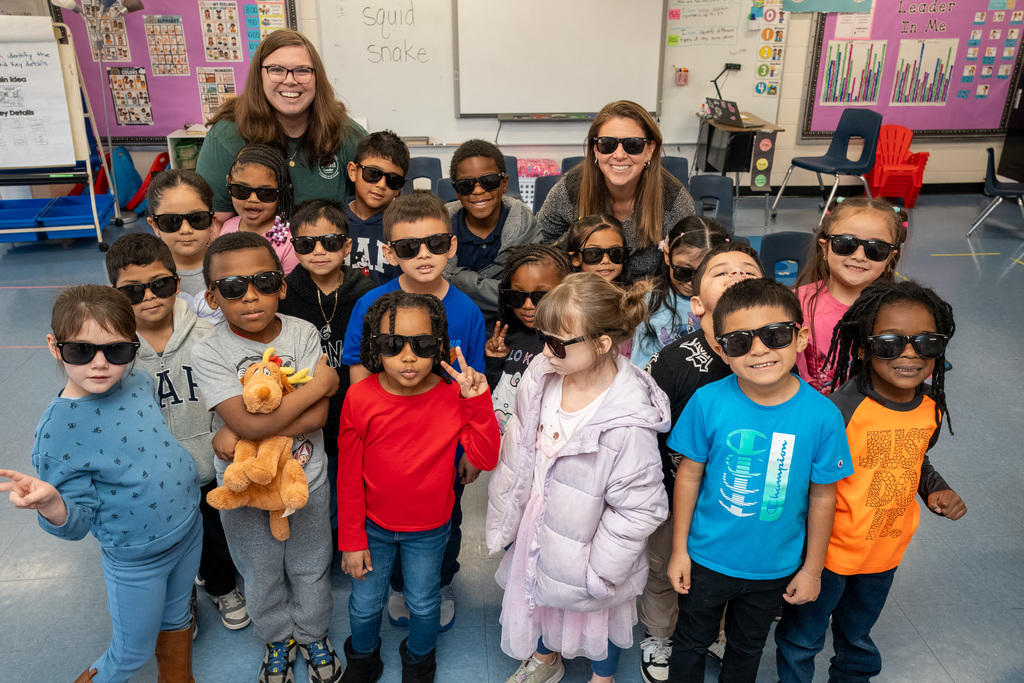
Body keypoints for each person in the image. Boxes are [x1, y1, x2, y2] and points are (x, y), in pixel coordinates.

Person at [0, 285, 202, 683]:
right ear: (54, 346)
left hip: (189, 531)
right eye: (81, 350)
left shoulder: (139, 382)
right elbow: (75, 524)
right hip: (137, 560)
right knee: (131, 653)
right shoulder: (57, 433)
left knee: (178, 618)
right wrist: (51, 503)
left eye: (117, 351)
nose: (100, 364)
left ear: (133, 346)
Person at [775, 280, 966, 683]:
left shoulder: (931, 405)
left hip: (885, 551)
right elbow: (803, 481)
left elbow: (916, 457)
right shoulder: (840, 410)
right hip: (827, 556)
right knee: (802, 638)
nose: (909, 353)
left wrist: (935, 487)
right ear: (864, 348)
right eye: (891, 343)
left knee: (857, 635)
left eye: (925, 342)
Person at [665, 279, 854, 683]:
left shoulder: (823, 416)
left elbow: (824, 496)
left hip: (773, 566)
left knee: (747, 648)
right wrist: (679, 550)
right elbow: (689, 475)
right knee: (690, 642)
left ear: (800, 337)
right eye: (739, 341)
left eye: (775, 335)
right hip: (707, 559)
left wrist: (813, 570)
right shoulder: (707, 402)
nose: (759, 350)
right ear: (720, 350)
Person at [486, 272, 670, 683]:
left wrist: (600, 571)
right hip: (540, 521)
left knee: (599, 620)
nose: (544, 351)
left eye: (556, 342)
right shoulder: (542, 375)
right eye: (541, 337)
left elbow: (639, 510)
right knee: (543, 599)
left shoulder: (628, 422)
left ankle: (601, 677)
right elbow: (520, 449)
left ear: (601, 344)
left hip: (592, 543)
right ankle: (547, 659)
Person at [191, 232, 344, 683]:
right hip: (244, 490)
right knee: (259, 571)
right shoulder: (210, 350)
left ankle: (313, 634)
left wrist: (241, 428)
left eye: (263, 280)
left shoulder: (304, 332)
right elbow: (302, 407)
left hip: (307, 483)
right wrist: (318, 385)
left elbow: (317, 419)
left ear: (281, 283)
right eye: (234, 287)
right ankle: (277, 639)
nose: (251, 295)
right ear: (213, 297)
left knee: (311, 565)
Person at [342, 192, 487, 633]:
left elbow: (472, 386)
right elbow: (359, 373)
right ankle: (400, 587)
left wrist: (466, 449)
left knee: (448, 519)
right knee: (383, 525)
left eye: (435, 243)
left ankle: (438, 583)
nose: (424, 255)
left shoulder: (467, 311)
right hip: (385, 446)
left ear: (453, 244)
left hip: (442, 450)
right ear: (389, 252)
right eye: (408, 247)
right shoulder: (371, 306)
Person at [337, 291, 500, 683]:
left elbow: (484, 458)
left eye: (422, 345)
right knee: (363, 605)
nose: (408, 356)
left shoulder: (452, 396)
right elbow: (347, 475)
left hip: (429, 530)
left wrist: (478, 401)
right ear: (374, 348)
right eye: (392, 344)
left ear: (440, 345)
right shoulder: (359, 396)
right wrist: (352, 540)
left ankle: (419, 661)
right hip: (371, 528)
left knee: (425, 604)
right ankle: (363, 659)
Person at [105, 233, 249, 633]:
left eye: (160, 284)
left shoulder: (209, 337)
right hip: (152, 479)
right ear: (115, 294)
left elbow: (230, 398)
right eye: (132, 291)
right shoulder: (113, 353)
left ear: (177, 283)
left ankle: (221, 586)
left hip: (209, 464)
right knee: (169, 543)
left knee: (216, 535)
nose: (149, 297)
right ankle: (181, 594)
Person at [638, 242, 764, 683]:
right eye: (722, 272)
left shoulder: (771, 360)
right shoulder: (674, 363)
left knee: (727, 573)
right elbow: (644, 434)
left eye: (748, 271)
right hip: (672, 497)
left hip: (736, 498)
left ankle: (718, 629)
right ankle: (659, 633)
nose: (736, 277)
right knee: (664, 569)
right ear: (696, 303)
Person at [278, 199, 375, 552]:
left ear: (347, 246)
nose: (319, 251)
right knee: (315, 488)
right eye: (306, 244)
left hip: (355, 410)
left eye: (331, 242)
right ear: (294, 246)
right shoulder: (284, 295)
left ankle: (353, 541)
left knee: (355, 483)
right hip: (307, 412)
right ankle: (326, 547)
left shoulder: (368, 294)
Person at [196, 29, 367, 222]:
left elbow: (375, 206)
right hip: (254, 249)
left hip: (327, 249)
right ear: (259, 76)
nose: (290, 81)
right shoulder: (227, 136)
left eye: (302, 71)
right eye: (276, 70)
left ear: (317, 77)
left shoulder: (348, 134)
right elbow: (213, 223)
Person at [537, 100, 696, 282]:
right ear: (595, 149)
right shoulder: (571, 187)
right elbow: (539, 246)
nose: (619, 155)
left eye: (633, 145)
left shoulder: (673, 199)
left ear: (650, 149)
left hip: (648, 303)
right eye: (607, 144)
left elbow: (689, 268)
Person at [794, 197, 907, 394]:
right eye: (846, 243)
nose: (859, 256)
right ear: (825, 248)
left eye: (876, 248)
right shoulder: (795, 303)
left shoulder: (903, 312)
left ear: (891, 257)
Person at [444, 139, 543, 321]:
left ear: (504, 184)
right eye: (466, 185)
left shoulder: (525, 227)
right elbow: (435, 289)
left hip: (512, 326)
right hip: (455, 322)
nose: (478, 190)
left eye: (489, 181)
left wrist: (459, 279)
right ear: (457, 191)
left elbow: (529, 296)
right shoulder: (441, 230)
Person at [485, 244, 573, 434]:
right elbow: (495, 392)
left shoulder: (569, 346)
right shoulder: (509, 336)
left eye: (539, 296)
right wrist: (495, 361)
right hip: (498, 443)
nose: (527, 305)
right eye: (517, 296)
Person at [631, 216, 731, 370]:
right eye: (684, 271)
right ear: (667, 255)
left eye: (703, 274)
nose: (692, 282)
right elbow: (641, 364)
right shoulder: (649, 303)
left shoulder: (730, 302)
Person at [146, 169, 222, 322]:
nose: (186, 230)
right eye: (171, 221)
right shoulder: (142, 276)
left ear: (212, 222)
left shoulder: (231, 266)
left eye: (197, 218)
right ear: (154, 225)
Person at [343, 130, 410, 285]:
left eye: (393, 180)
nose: (381, 185)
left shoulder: (404, 226)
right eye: (373, 174)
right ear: (353, 171)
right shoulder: (331, 219)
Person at [220, 144, 298, 274]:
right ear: (229, 182)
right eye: (241, 190)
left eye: (266, 192)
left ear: (281, 191)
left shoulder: (288, 238)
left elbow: (290, 289)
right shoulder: (227, 228)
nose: (253, 199)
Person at [563, 214, 629, 284]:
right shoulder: (569, 293)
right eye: (594, 253)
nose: (606, 260)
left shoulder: (630, 293)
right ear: (575, 258)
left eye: (615, 252)